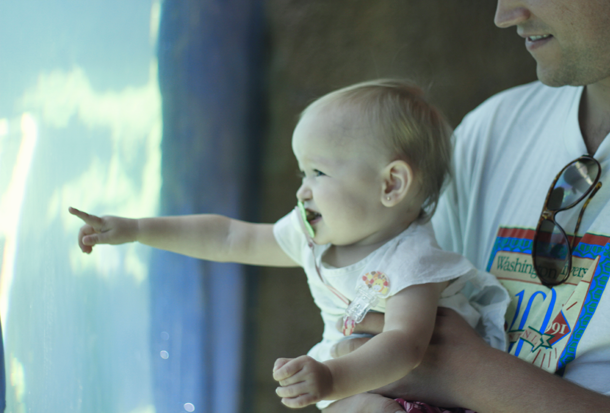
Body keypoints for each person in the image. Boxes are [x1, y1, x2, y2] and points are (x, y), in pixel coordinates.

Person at [69, 79, 509, 410]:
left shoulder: (412, 260)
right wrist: (136, 229)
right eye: (303, 173)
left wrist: (330, 378)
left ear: (391, 184)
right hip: (359, 383)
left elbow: (405, 346)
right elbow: (229, 237)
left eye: (318, 173)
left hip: (430, 389)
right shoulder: (311, 238)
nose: (302, 190)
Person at [323, 0, 610, 412]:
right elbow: (365, 343)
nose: (505, 15)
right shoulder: (494, 129)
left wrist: (473, 375)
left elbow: (426, 361)